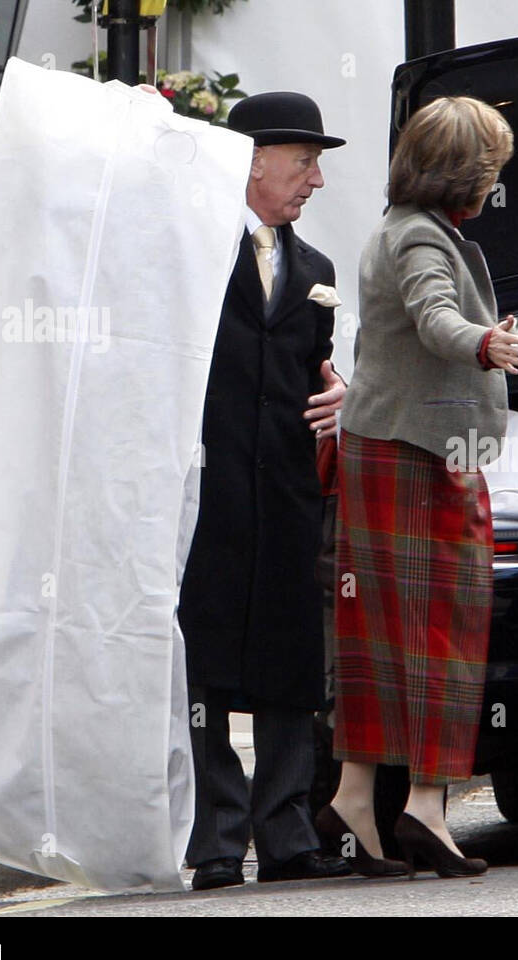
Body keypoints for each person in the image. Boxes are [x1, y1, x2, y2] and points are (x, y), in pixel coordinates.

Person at [322, 95, 518, 879]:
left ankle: (354, 797)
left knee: (379, 633)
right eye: (491, 170)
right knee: (448, 627)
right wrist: (487, 343)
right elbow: (437, 318)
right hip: (420, 452)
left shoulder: (406, 228)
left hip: (389, 444)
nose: (494, 185)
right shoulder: (419, 240)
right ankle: (426, 808)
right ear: (464, 173)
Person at [178, 92, 351, 890]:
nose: (316, 179)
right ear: (253, 160)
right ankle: (214, 838)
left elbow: (318, 368)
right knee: (206, 663)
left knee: (289, 658)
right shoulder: (192, 251)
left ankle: (283, 831)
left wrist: (341, 391)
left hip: (284, 491)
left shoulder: (316, 271)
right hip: (208, 491)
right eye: (304, 161)